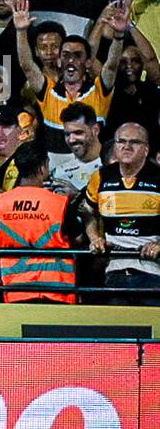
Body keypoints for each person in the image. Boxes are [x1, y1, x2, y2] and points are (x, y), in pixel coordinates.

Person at [85, 123, 160, 304]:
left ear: (146, 149)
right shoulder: (100, 177)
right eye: (121, 141)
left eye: (134, 142)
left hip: (153, 271)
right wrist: (95, 238)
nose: (127, 146)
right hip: (114, 271)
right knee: (119, 329)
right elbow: (88, 213)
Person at [0, 144, 77, 303]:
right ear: (42, 168)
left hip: (16, 289)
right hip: (57, 289)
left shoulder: (0, 202)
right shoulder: (59, 202)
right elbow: (78, 238)